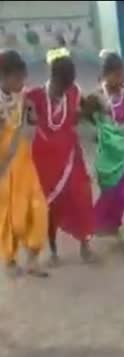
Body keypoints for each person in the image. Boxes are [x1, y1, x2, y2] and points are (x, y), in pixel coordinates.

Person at [27, 50, 96, 265]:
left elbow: (75, 117)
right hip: (45, 160)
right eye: (61, 85)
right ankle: (53, 250)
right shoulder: (35, 96)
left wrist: (90, 109)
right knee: (50, 205)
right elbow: (23, 115)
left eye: (68, 85)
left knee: (82, 197)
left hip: (70, 157)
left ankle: (85, 245)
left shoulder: (74, 92)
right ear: (52, 78)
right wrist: (29, 117)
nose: (64, 90)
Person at [87, 52, 124, 254]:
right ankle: (115, 227)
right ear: (105, 75)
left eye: (122, 73)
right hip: (108, 160)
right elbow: (85, 119)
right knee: (112, 197)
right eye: (115, 74)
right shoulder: (96, 96)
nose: (120, 78)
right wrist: (99, 131)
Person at [0, 50, 48, 278]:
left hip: (27, 165)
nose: (22, 82)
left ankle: (32, 260)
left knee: (38, 211)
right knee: (11, 218)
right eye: (17, 78)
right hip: (6, 169)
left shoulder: (24, 98)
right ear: (4, 77)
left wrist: (31, 113)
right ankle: (9, 260)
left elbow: (32, 128)